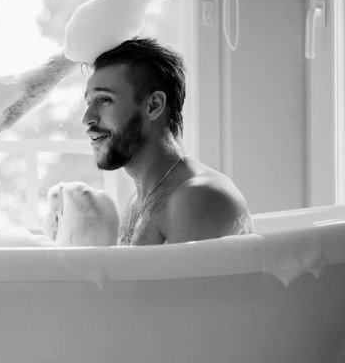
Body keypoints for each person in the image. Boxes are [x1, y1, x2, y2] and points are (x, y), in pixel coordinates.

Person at [83, 37, 253, 245]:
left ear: (154, 106)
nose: (87, 118)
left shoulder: (197, 199)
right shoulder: (137, 202)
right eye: (89, 102)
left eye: (104, 100)